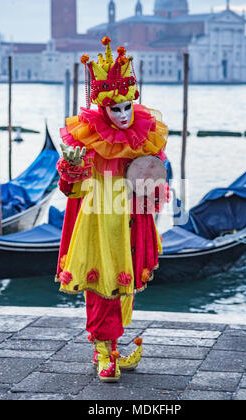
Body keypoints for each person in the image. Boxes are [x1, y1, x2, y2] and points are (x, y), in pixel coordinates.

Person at [55, 36, 169, 383]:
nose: (122, 115)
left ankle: (107, 344)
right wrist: (70, 170)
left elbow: (154, 183)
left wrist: (152, 181)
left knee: (125, 285)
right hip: (96, 224)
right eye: (114, 109)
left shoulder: (143, 136)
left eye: (126, 107)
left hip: (130, 222)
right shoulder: (88, 141)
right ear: (102, 109)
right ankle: (105, 350)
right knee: (101, 285)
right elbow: (69, 189)